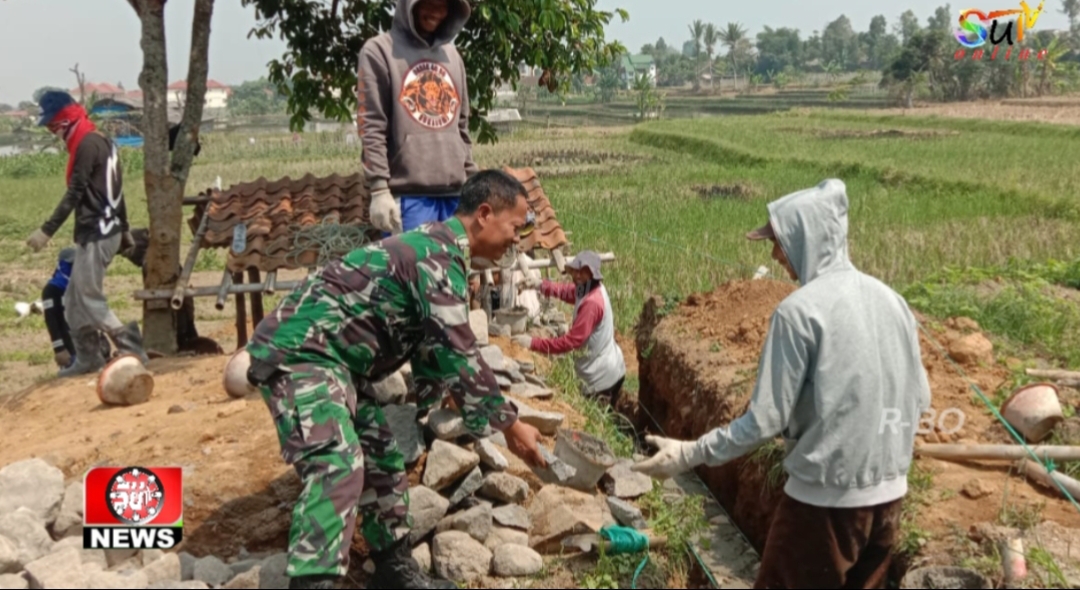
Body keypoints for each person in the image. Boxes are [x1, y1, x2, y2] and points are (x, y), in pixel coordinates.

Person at [245, 169, 547, 590]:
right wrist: (511, 426)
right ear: (484, 214)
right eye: (515, 227)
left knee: (382, 457)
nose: (517, 240)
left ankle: (393, 568)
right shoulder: (437, 256)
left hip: (339, 364)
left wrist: (447, 394)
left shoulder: (442, 253)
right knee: (337, 464)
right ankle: (314, 583)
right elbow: (460, 351)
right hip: (300, 354)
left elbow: (431, 344)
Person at [631, 179, 932, 589]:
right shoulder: (892, 301)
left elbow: (764, 422)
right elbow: (920, 398)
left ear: (807, 237)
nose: (774, 255)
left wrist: (688, 453)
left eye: (779, 241)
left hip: (823, 505)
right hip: (889, 503)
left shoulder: (799, 312)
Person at [26, 90, 149, 377]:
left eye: (52, 125)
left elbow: (76, 192)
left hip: (99, 230)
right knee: (72, 301)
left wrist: (46, 230)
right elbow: (116, 189)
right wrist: (125, 228)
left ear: (65, 120)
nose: (52, 131)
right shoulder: (99, 140)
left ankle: (133, 349)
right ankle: (89, 357)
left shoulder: (86, 145)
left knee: (88, 296)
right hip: (100, 229)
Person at [357, 0, 479, 236]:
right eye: (429, 3)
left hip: (456, 196)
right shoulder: (379, 51)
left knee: (458, 261)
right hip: (409, 198)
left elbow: (461, 127)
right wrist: (379, 189)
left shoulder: (452, 56)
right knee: (415, 261)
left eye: (444, 5)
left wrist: (473, 182)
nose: (436, 12)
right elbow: (371, 125)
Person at [511, 251, 626, 409]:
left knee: (594, 418)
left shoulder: (592, 304)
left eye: (583, 272)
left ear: (593, 274)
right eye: (576, 271)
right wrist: (539, 284)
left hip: (600, 379)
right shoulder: (589, 288)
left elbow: (571, 342)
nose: (577, 275)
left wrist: (532, 343)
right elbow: (566, 291)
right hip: (609, 366)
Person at [41, 247, 111, 369]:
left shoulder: (81, 287)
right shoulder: (52, 290)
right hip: (70, 348)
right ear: (62, 265)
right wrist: (59, 349)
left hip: (90, 343)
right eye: (71, 265)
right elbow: (51, 320)